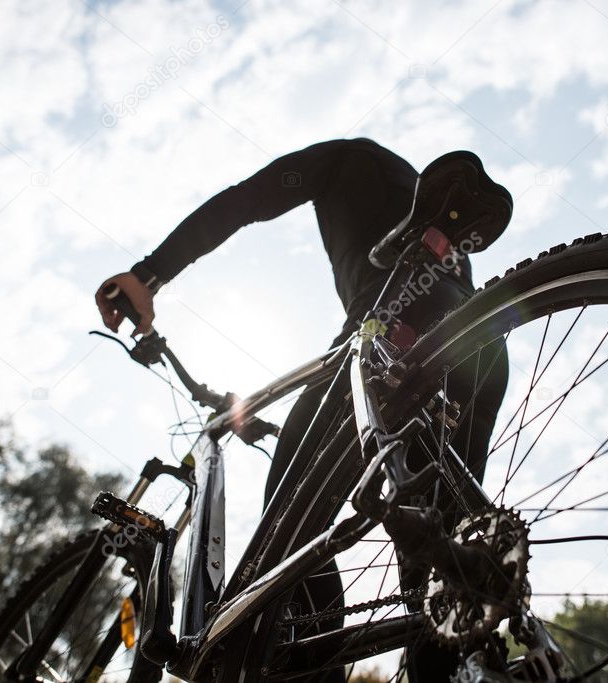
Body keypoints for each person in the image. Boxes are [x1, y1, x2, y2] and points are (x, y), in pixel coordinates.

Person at [96, 137, 509, 681]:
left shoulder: (345, 158)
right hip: (480, 350)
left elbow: (246, 200)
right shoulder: (411, 191)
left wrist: (149, 274)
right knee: (440, 575)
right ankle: (473, 665)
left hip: (391, 328)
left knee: (288, 537)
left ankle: (311, 669)